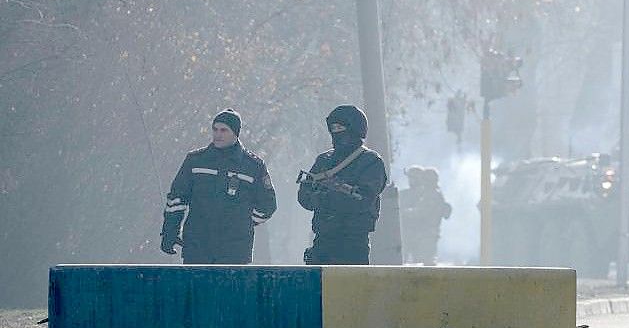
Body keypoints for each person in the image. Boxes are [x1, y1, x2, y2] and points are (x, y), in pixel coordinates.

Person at [160, 109, 277, 264]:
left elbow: (268, 205)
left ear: (235, 133)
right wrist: (170, 232)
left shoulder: (253, 166)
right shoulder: (196, 161)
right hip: (197, 245)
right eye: (215, 129)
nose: (218, 134)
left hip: (235, 250)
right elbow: (177, 199)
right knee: (197, 288)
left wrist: (243, 223)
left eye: (224, 130)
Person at [297, 105, 387, 264]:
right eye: (333, 128)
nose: (336, 133)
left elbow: (363, 199)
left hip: (353, 242)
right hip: (322, 240)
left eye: (341, 127)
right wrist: (319, 198)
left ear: (354, 129)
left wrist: (330, 198)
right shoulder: (324, 160)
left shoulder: (371, 162)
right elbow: (305, 195)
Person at [400, 166, 452, 265]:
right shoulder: (430, 194)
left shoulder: (432, 196)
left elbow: (420, 213)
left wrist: (403, 212)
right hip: (424, 235)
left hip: (427, 236)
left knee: (427, 264)